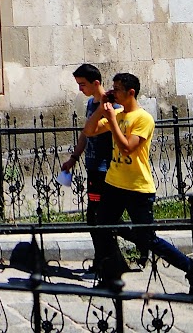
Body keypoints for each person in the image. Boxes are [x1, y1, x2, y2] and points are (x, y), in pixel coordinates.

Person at [84, 71, 192, 276]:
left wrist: (112, 120)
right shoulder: (118, 115)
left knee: (148, 239)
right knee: (102, 227)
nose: (113, 93)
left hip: (137, 187)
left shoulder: (144, 119)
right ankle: (111, 275)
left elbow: (127, 148)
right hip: (114, 184)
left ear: (131, 92)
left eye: (117, 89)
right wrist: (101, 109)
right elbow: (89, 131)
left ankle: (191, 268)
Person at [60, 64, 115, 267]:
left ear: (96, 83)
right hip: (92, 167)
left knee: (97, 217)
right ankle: (107, 258)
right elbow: (85, 133)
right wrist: (74, 158)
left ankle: (105, 259)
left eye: (83, 84)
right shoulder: (92, 103)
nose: (80, 89)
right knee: (95, 216)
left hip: (105, 169)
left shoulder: (112, 107)